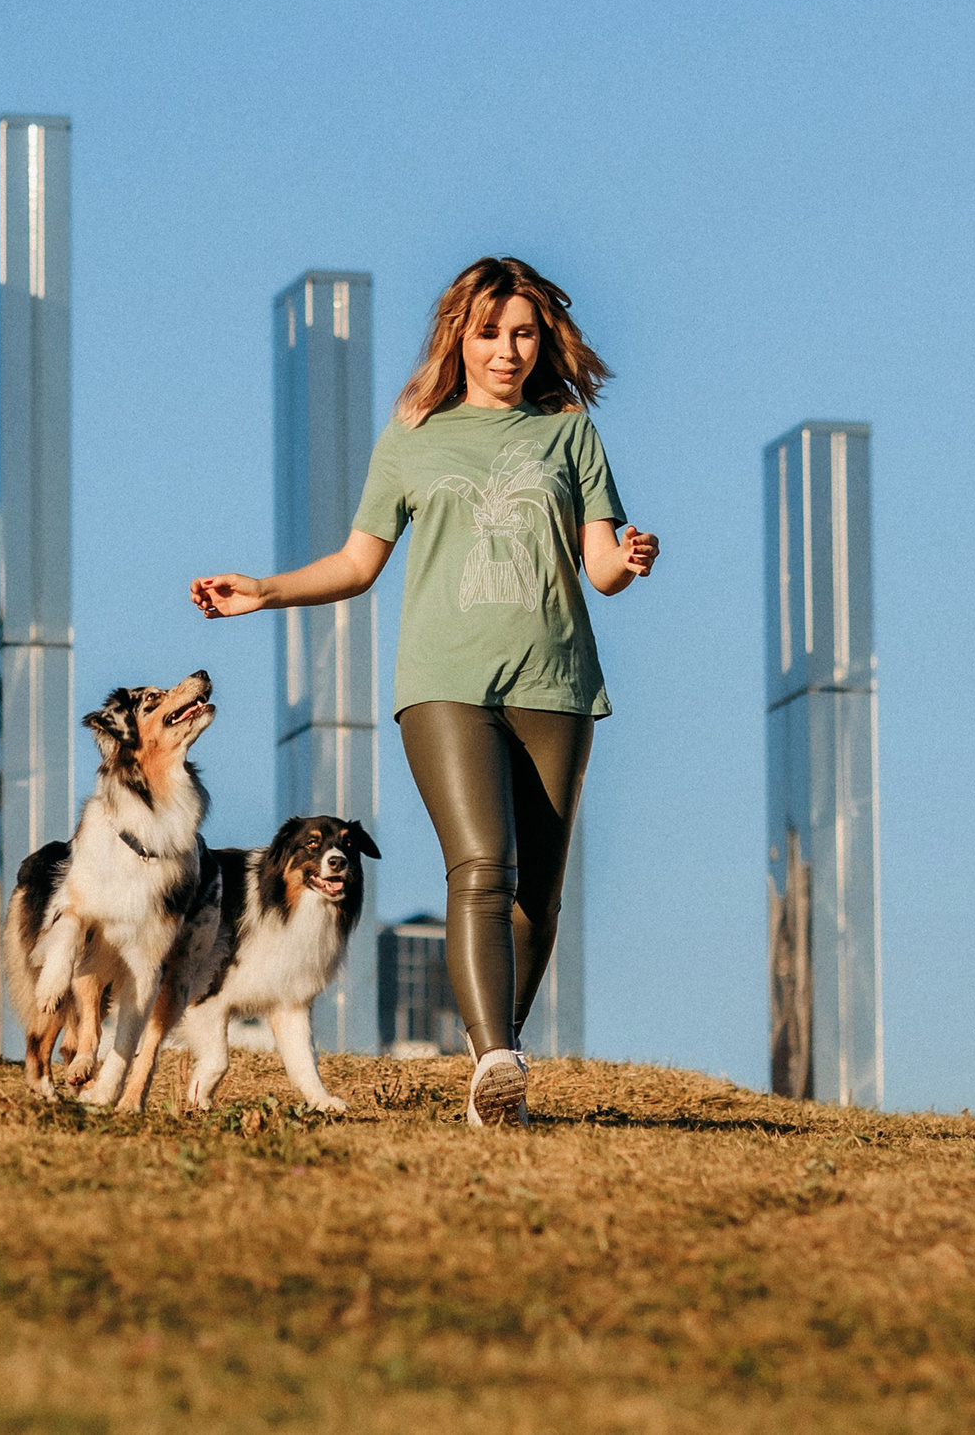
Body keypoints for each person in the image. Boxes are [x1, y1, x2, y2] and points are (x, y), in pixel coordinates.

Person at [190, 256, 657, 1127]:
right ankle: (496, 1059)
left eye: (523, 333)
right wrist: (264, 590)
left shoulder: (569, 433)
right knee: (483, 863)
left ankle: (494, 1073)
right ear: (459, 336)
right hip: (444, 685)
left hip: (555, 684)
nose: (508, 351)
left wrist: (628, 562)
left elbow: (598, 567)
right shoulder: (412, 433)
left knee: (538, 897)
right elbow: (357, 562)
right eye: (490, 334)